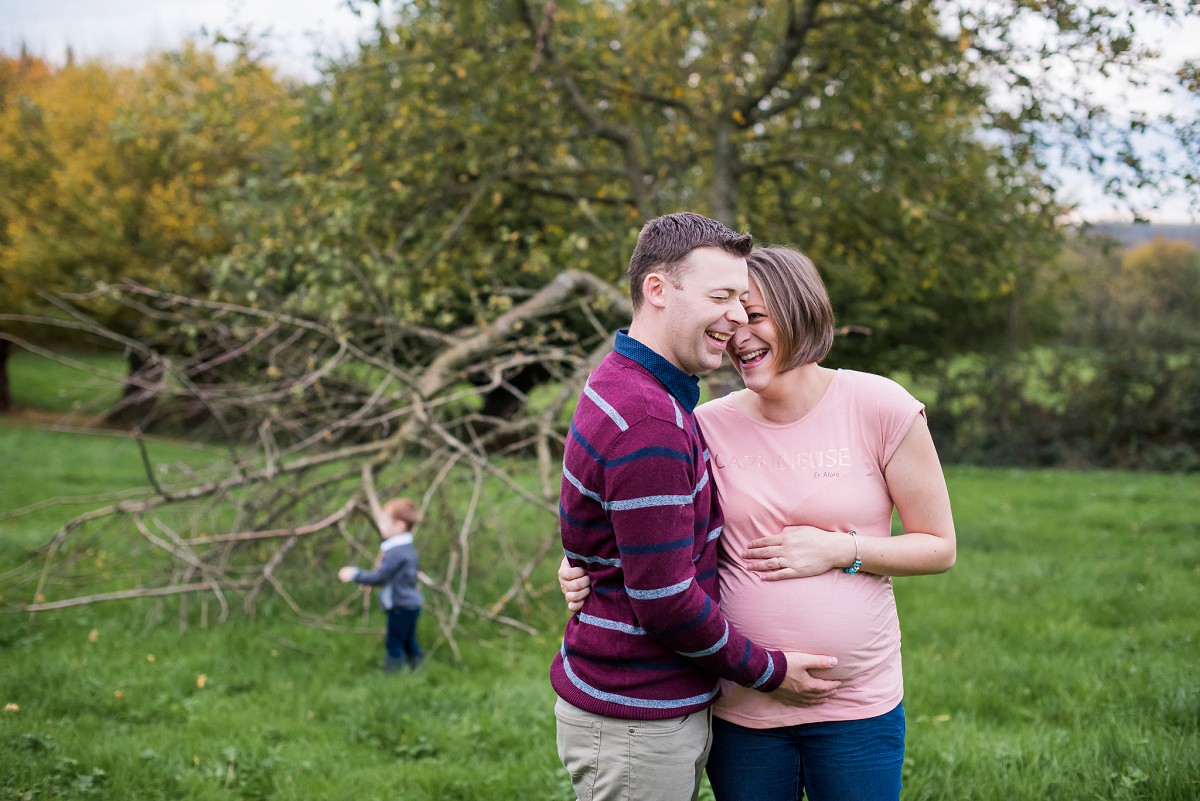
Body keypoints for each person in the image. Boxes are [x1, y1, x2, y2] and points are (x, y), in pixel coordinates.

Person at [560, 245, 957, 801]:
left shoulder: (880, 406)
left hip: (856, 706)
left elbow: (939, 547)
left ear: (800, 312)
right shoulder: (703, 423)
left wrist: (841, 550)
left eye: (758, 315)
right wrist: (584, 563)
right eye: (734, 315)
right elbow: (645, 518)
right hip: (742, 707)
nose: (740, 332)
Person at [551, 214, 841, 801]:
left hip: (643, 703)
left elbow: (606, 525)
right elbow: (663, 600)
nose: (736, 317)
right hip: (637, 715)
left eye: (742, 298)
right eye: (720, 296)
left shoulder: (633, 385)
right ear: (657, 290)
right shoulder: (649, 420)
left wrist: (587, 564)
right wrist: (770, 671)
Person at [338, 467, 424, 672]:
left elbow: (381, 576)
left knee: (394, 644)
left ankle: (392, 680)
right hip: (410, 605)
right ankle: (417, 672)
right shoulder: (406, 548)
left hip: (400, 607)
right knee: (409, 641)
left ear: (400, 526)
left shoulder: (396, 552)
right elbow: (395, 578)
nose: (381, 524)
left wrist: (355, 575)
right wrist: (372, 582)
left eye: (385, 521)